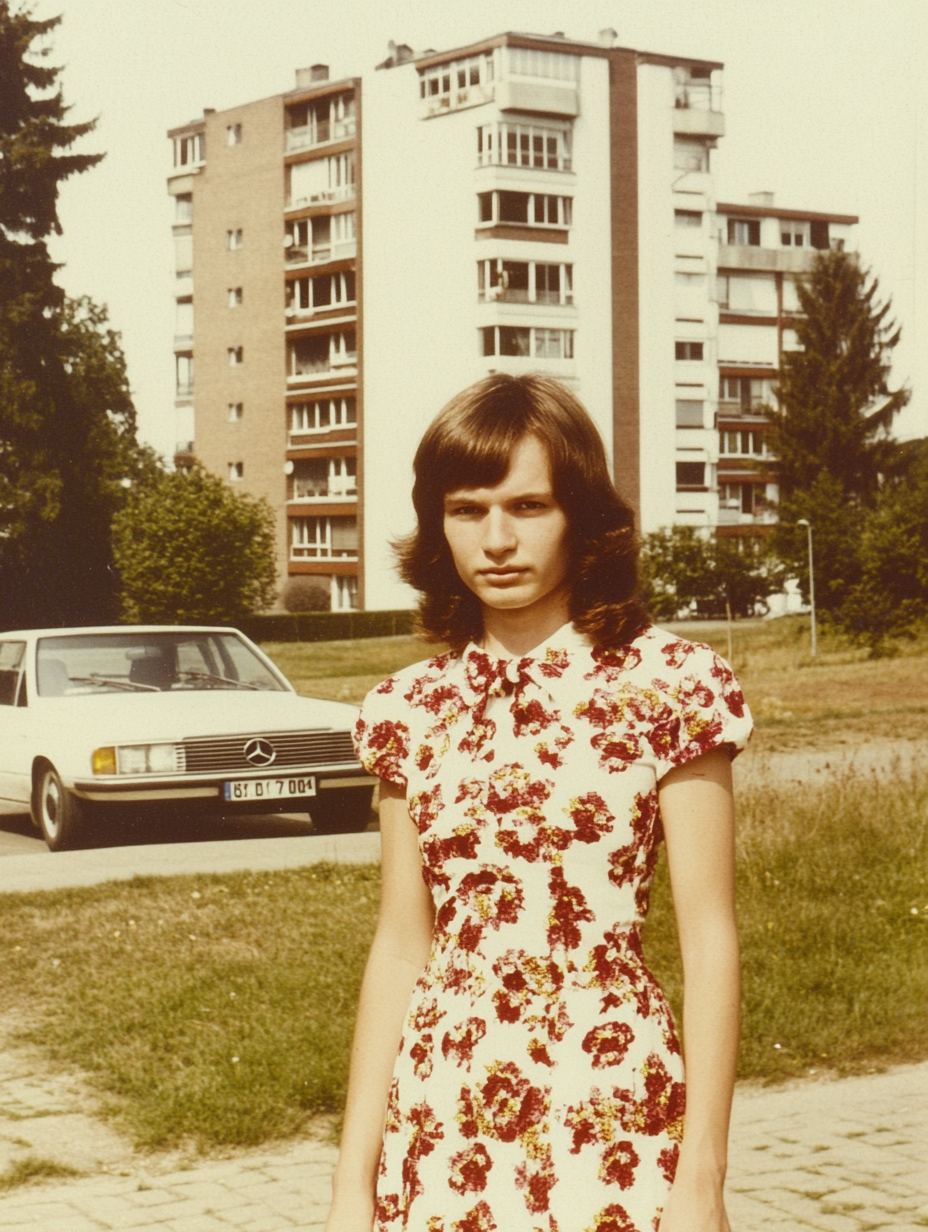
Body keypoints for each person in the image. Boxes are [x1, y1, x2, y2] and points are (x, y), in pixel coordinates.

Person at [326, 374, 752, 1232]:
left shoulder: (670, 686)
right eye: (466, 509)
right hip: (441, 1113)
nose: (495, 539)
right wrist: (351, 1181)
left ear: (581, 515)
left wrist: (702, 1173)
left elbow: (709, 937)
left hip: (611, 1104)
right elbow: (402, 946)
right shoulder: (409, 711)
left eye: (528, 507)